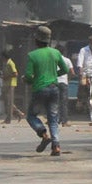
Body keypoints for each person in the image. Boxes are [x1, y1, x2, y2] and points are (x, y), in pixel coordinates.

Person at [24, 26, 69, 157]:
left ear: (36, 40)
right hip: (54, 88)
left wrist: (31, 80)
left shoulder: (32, 55)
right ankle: (56, 146)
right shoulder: (55, 53)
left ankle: (43, 133)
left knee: (31, 115)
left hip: (40, 89)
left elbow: (28, 75)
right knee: (53, 118)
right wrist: (54, 74)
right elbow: (65, 70)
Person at [0, 50, 24, 124]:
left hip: (11, 84)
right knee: (8, 101)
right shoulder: (6, 63)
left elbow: (15, 74)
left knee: (9, 102)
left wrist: (6, 77)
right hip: (6, 84)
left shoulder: (11, 63)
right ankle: (19, 113)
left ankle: (8, 119)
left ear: (4, 57)